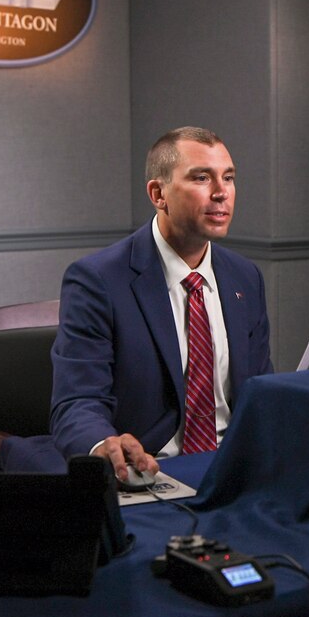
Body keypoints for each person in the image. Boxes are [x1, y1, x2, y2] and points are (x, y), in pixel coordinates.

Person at [49, 126, 273, 482]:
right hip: (152, 469)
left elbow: (261, 392)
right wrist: (101, 443)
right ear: (158, 193)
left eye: (228, 178)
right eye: (202, 178)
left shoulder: (245, 277)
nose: (221, 193)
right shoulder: (97, 280)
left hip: (237, 467)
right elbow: (77, 402)